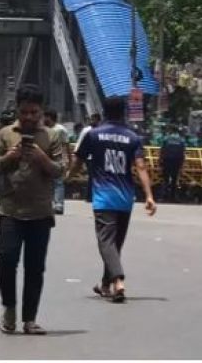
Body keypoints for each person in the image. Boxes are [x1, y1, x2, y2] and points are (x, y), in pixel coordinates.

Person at [0, 84, 65, 335]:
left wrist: (41, 158)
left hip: (40, 213)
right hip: (10, 209)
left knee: (35, 267)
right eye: (25, 112)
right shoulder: (4, 134)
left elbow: (59, 171)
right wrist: (10, 158)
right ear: (18, 110)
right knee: (6, 261)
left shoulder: (53, 136)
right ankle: (9, 308)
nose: (30, 117)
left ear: (42, 112)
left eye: (35, 112)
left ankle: (30, 318)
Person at [70, 96, 156, 303]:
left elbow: (78, 160)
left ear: (104, 111)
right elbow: (141, 167)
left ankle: (118, 281)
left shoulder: (94, 134)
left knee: (106, 242)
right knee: (115, 244)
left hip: (103, 197)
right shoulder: (133, 137)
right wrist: (149, 196)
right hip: (125, 198)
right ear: (123, 111)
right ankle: (105, 284)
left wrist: (69, 175)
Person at [43, 109, 70, 214]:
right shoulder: (44, 130)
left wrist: (68, 161)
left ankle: (59, 205)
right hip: (45, 158)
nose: (44, 119)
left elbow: (66, 145)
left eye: (46, 116)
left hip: (57, 159)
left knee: (58, 182)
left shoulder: (60, 129)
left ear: (50, 117)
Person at [158, 125, 186, 203]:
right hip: (177, 162)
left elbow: (162, 150)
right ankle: (173, 197)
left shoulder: (166, 138)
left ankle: (164, 197)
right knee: (174, 180)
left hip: (167, 161)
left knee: (165, 179)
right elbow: (183, 153)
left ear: (171, 130)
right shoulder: (181, 140)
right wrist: (182, 164)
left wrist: (160, 161)